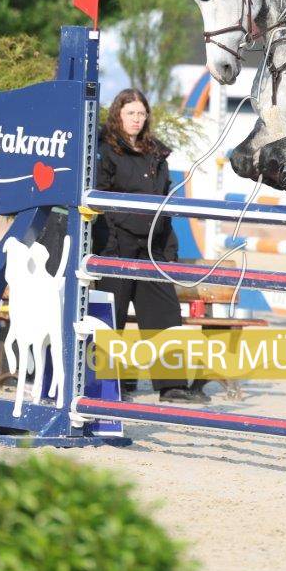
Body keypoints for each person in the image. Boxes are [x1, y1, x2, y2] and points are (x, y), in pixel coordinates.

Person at [95, 88, 207, 404]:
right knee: (110, 315)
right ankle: (106, 384)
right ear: (118, 114)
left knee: (165, 313)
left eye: (141, 113)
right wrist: (110, 241)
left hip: (151, 247)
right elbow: (100, 197)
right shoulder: (105, 150)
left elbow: (165, 201)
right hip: (115, 244)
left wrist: (168, 249)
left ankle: (172, 385)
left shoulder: (155, 153)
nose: (136, 119)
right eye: (130, 113)